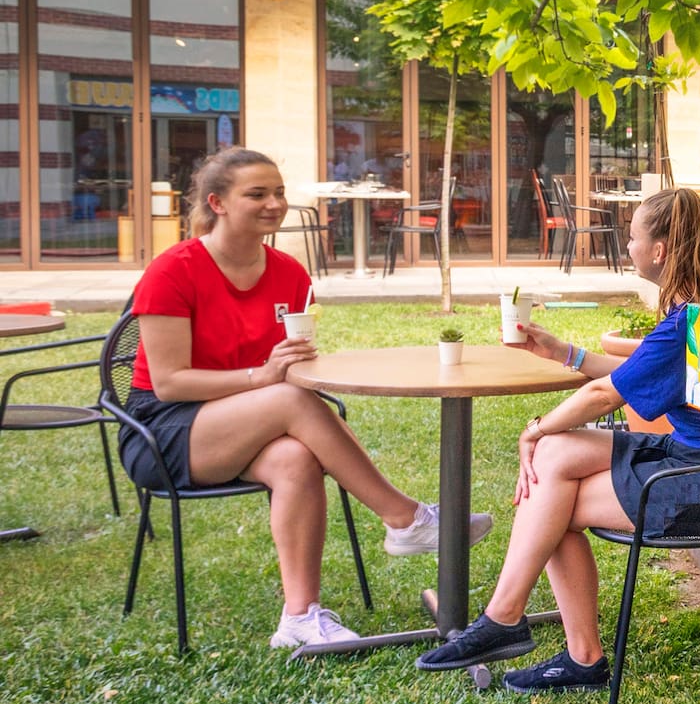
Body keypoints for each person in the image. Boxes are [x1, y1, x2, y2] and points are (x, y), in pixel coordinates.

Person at [123, 147, 494, 648]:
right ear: (217, 203)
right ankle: (404, 517)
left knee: (295, 457)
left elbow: (287, 366)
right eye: (257, 194)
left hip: (250, 420)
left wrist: (294, 368)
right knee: (291, 401)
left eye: (278, 192)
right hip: (164, 430)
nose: (274, 203)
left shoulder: (289, 274)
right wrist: (262, 377)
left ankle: (300, 617)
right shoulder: (173, 270)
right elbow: (169, 383)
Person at [416, 188, 700, 694]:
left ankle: (534, 634)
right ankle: (512, 623)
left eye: (632, 237)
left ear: (660, 250)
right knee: (555, 458)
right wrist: (565, 353)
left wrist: (535, 428)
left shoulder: (688, 320)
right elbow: (635, 370)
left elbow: (604, 395)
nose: (628, 246)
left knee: (551, 502)